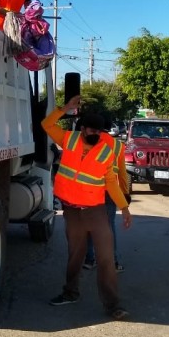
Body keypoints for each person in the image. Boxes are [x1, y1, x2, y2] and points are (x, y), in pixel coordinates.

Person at [42, 95, 132, 320]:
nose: (93, 134)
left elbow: (111, 180)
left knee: (106, 258)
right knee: (75, 255)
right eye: (89, 130)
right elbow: (46, 125)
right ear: (82, 128)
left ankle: (113, 305)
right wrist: (65, 108)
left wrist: (124, 206)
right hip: (71, 210)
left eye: (97, 132)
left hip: (95, 211)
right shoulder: (69, 139)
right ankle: (70, 292)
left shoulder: (106, 150)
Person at [84, 127, 129, 272]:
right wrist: (125, 194)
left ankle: (90, 260)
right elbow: (122, 174)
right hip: (109, 192)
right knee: (108, 227)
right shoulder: (117, 146)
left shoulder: (85, 142)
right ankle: (113, 263)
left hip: (90, 191)